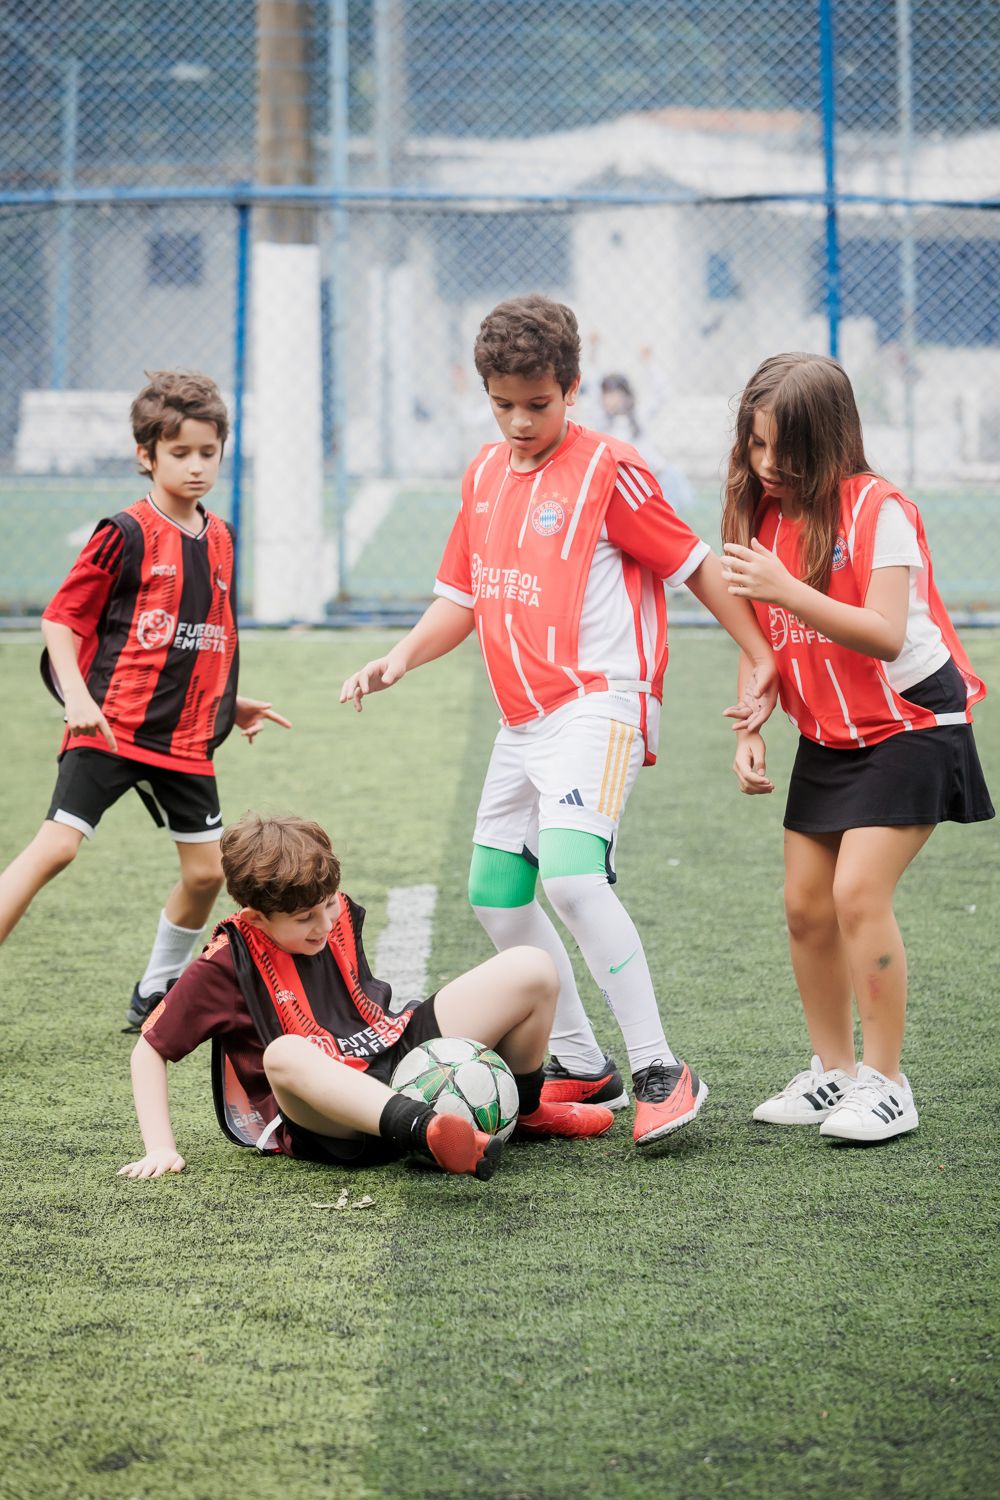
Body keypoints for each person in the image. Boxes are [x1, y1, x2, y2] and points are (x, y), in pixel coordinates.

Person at [340, 293, 777, 1147]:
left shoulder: (612, 470)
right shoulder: (481, 475)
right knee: (497, 897)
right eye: (502, 404)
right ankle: (583, 1064)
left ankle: (659, 1067)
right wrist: (398, 658)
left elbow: (694, 565)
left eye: (536, 404)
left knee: (574, 879)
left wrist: (758, 654)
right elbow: (460, 598)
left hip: (600, 700)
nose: (518, 421)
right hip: (525, 718)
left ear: (570, 389)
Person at [721, 352, 994, 1143]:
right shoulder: (762, 517)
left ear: (833, 440)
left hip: (912, 723)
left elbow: (879, 632)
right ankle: (832, 1072)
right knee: (804, 907)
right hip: (830, 733)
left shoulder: (880, 510)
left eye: (787, 450)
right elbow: (759, 634)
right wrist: (753, 718)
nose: (769, 466)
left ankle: (886, 1082)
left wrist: (787, 587)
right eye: (756, 445)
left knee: (855, 896)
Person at [0, 371, 290, 1028]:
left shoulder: (221, 537)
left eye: (207, 453)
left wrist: (229, 701)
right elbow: (60, 619)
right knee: (57, 849)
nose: (195, 466)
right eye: (179, 453)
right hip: (112, 723)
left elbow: (203, 631)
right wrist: (78, 699)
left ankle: (155, 989)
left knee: (206, 874)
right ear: (147, 455)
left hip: (185, 738)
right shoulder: (124, 532)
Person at [118, 813, 614, 1182]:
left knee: (531, 967)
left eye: (328, 904)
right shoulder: (225, 962)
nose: (325, 924)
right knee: (284, 1053)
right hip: (331, 1116)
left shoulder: (332, 909)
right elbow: (150, 1049)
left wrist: (325, 912)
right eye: (304, 919)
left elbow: (348, 976)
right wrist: (160, 1147)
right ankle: (430, 1132)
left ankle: (523, 1112)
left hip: (391, 1053)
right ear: (254, 918)